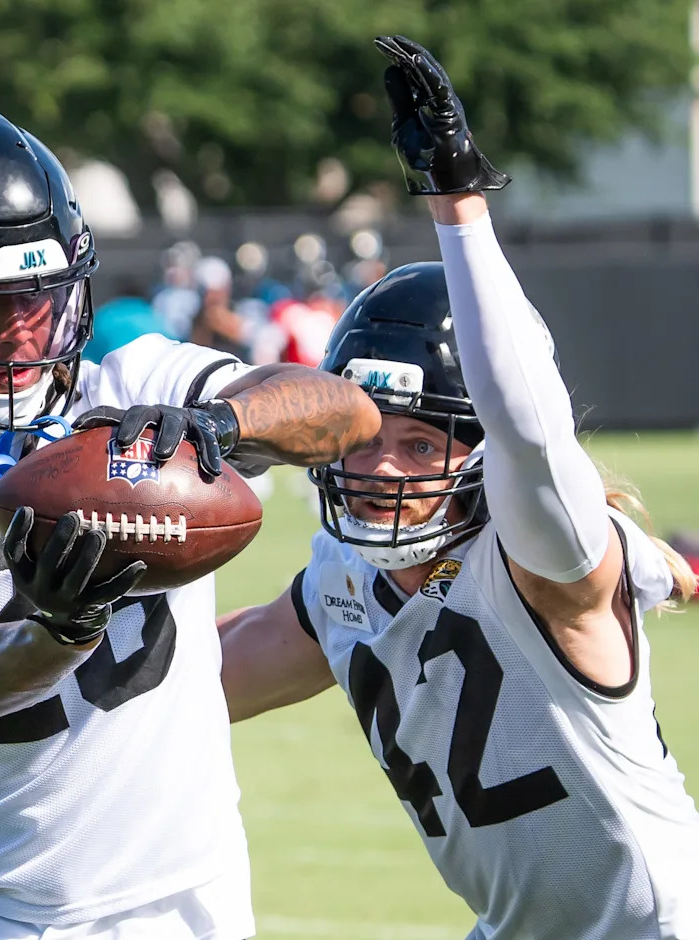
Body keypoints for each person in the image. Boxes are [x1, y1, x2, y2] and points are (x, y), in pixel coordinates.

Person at [0, 105, 382, 940]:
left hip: (195, 904)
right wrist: (59, 631)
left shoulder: (134, 384)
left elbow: (346, 410)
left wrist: (218, 426)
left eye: (45, 294)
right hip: (3, 918)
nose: (27, 327)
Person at [219, 37, 699, 939]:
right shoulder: (342, 582)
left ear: (480, 457)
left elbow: (528, 427)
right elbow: (191, 689)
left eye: (417, 443)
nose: (378, 468)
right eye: (365, 438)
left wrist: (457, 202)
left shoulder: (540, 562)